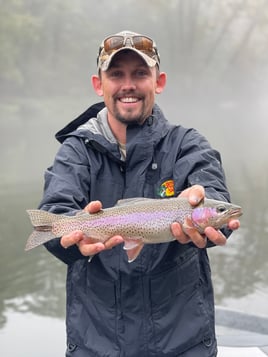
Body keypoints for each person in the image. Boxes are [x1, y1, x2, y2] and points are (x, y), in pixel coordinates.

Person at [39, 30, 240, 357]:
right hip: (96, 344)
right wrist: (68, 237)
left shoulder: (187, 144)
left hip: (184, 345)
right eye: (116, 74)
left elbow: (212, 190)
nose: (128, 84)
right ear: (98, 84)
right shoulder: (75, 151)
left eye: (140, 73)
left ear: (158, 82)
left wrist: (211, 207)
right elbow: (54, 214)